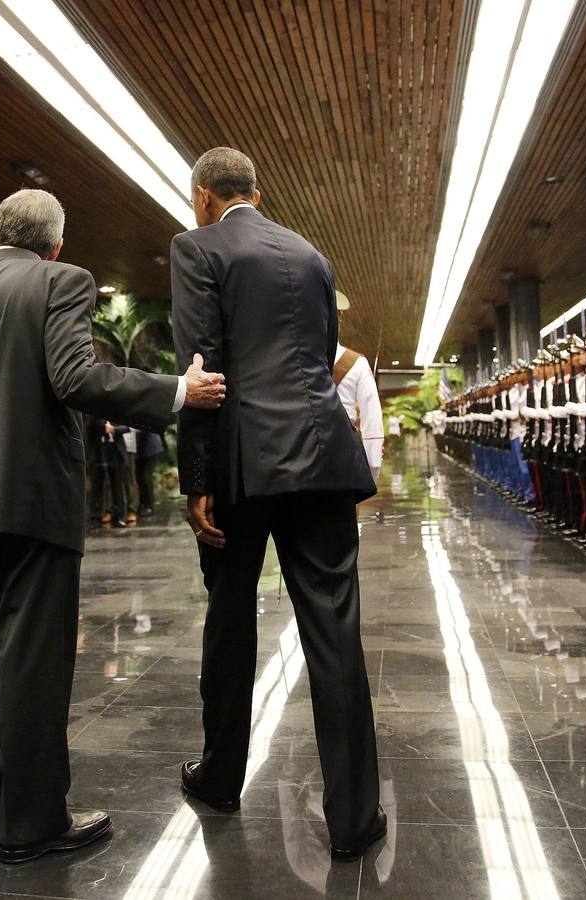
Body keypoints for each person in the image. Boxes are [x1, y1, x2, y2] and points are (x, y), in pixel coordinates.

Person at [0, 187, 225, 864]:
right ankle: (32, 824)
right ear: (56, 245)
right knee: (32, 663)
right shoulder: (62, 280)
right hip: (33, 505)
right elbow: (74, 377)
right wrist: (178, 390)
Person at [170, 147, 384, 859]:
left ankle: (221, 777)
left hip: (243, 460)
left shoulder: (198, 247)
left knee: (230, 620)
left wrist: (196, 479)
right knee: (334, 629)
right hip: (323, 455)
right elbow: (322, 356)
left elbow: (201, 364)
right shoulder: (310, 254)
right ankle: (355, 817)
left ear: (205, 196)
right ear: (256, 193)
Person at [333, 291, 384, 480]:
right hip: (342, 461)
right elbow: (372, 419)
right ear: (338, 320)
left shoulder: (286, 360)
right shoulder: (355, 363)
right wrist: (372, 470)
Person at [85, 416, 128, 528]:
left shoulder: (116, 409)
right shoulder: (92, 413)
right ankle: (95, 517)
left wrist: (113, 429)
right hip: (98, 451)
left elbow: (127, 427)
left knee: (117, 486)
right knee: (96, 486)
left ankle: (119, 516)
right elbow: (88, 426)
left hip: (115, 451)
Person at [134, 428, 164, 515]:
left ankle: (149, 506)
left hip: (150, 448)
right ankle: (142, 503)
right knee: (140, 477)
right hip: (141, 449)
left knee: (145, 477)